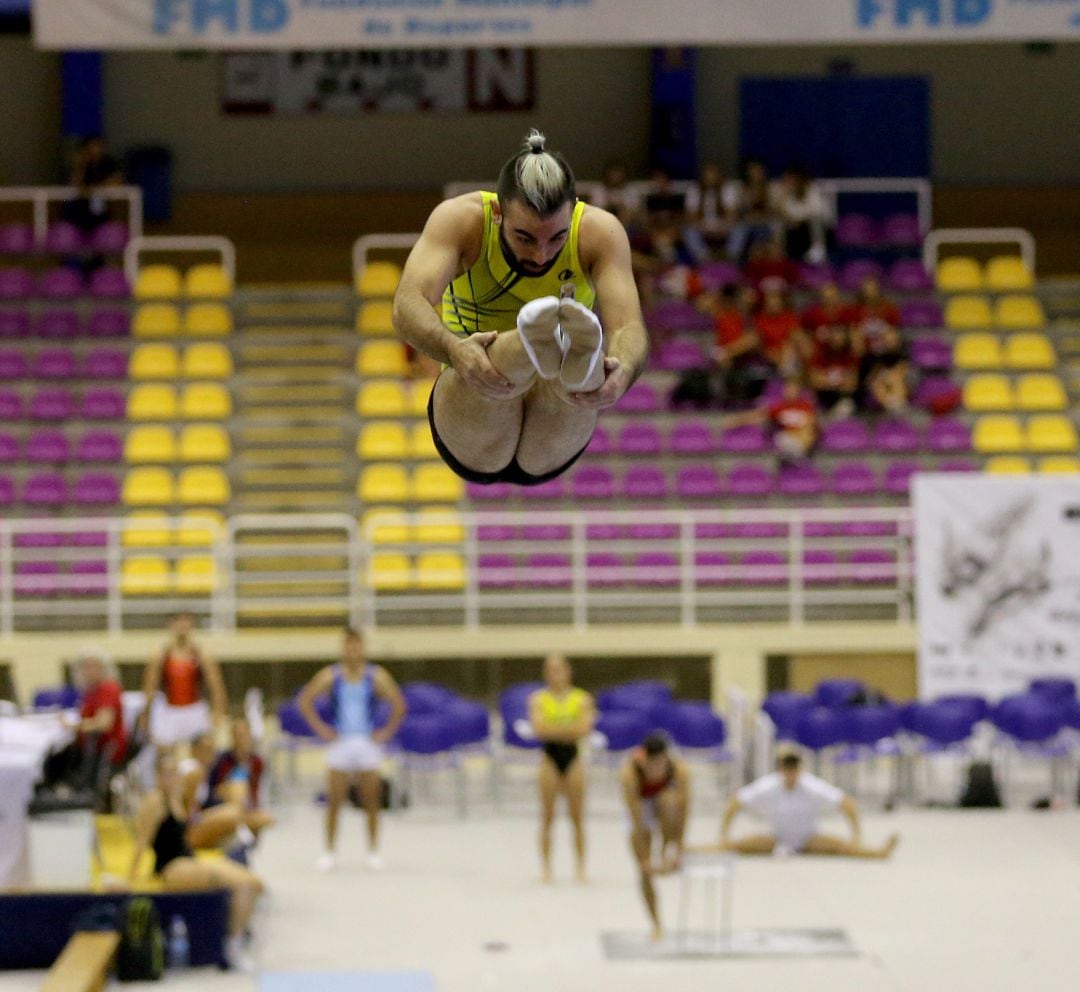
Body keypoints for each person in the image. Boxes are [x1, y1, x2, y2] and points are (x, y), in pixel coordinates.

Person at [393, 129, 649, 489]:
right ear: (498, 212)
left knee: (579, 381)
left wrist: (622, 371)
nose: (540, 255)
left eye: (557, 238)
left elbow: (628, 328)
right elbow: (407, 304)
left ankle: (570, 353)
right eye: (525, 237)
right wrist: (454, 349)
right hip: (473, 405)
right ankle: (538, 339)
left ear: (572, 214)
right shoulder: (462, 220)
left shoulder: (598, 231)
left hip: (554, 424)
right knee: (494, 367)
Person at [129, 750, 264, 972]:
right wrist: (130, 881)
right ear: (157, 777)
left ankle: (234, 939)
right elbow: (141, 843)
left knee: (252, 883)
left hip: (188, 860)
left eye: (175, 773)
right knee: (242, 884)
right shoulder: (154, 801)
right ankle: (232, 949)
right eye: (167, 774)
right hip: (172, 868)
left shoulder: (177, 798)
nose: (172, 778)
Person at [298, 627, 406, 873]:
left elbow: (399, 703)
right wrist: (321, 728)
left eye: (357, 645)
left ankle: (373, 851)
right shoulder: (330, 676)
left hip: (367, 741)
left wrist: (387, 731)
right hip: (340, 741)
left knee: (371, 800)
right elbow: (305, 701)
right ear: (343, 648)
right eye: (349, 645)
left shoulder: (376, 676)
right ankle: (329, 852)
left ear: (363, 648)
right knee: (335, 800)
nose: (353, 650)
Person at [713, 752, 898, 859]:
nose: (791, 775)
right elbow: (735, 803)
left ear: (799, 770)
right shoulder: (769, 785)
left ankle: (878, 852)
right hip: (776, 838)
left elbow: (847, 804)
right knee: (734, 846)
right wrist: (724, 834)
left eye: (794, 770)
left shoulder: (811, 785)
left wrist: (856, 836)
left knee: (844, 847)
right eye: (787, 770)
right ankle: (693, 848)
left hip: (809, 839)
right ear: (781, 770)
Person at [528, 654, 596, 884]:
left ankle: (580, 868)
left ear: (568, 671)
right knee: (547, 816)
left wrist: (554, 728)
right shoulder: (538, 698)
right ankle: (546, 868)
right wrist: (568, 728)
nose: (554, 674)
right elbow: (538, 728)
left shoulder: (581, 698)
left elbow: (584, 728)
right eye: (550, 670)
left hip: (573, 757)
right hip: (550, 757)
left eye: (558, 669)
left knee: (577, 817)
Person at [620, 732, 690, 940]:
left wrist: (677, 847)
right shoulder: (629, 774)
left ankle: (665, 849)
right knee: (643, 871)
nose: (657, 770)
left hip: (663, 805)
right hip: (640, 808)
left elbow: (685, 811)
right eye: (653, 766)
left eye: (661, 765)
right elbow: (636, 821)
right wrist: (646, 859)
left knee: (669, 801)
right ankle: (656, 923)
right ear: (644, 760)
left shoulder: (679, 770)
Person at [41, 648, 128, 799]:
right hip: (90, 747)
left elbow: (104, 724)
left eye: (94, 666)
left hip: (104, 750)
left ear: (103, 668)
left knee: (57, 758)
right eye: (85, 667)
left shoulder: (108, 688)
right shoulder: (90, 690)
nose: (89, 671)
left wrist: (73, 726)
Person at [139, 612, 227, 748]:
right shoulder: (160, 655)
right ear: (171, 624)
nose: (182, 624)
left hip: (195, 710)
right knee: (165, 754)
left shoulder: (202, 654)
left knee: (202, 751)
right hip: (170, 711)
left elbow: (216, 686)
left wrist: (218, 713)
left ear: (192, 624)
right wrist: (145, 715)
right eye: (178, 620)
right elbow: (150, 688)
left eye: (186, 620)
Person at [771, 166, 831, 263]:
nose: (791, 183)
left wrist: (799, 219)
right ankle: (779, 252)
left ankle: (818, 250)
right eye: (788, 181)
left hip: (812, 225)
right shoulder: (786, 193)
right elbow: (781, 212)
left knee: (815, 221)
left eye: (793, 180)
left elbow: (817, 211)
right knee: (777, 222)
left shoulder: (812, 189)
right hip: (793, 226)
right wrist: (783, 197)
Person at [65, 135, 123, 236]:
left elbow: (116, 182)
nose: (96, 150)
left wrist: (94, 189)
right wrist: (80, 165)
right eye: (92, 146)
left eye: (99, 146)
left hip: (101, 212)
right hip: (79, 211)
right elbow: (75, 185)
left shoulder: (109, 163)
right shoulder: (81, 165)